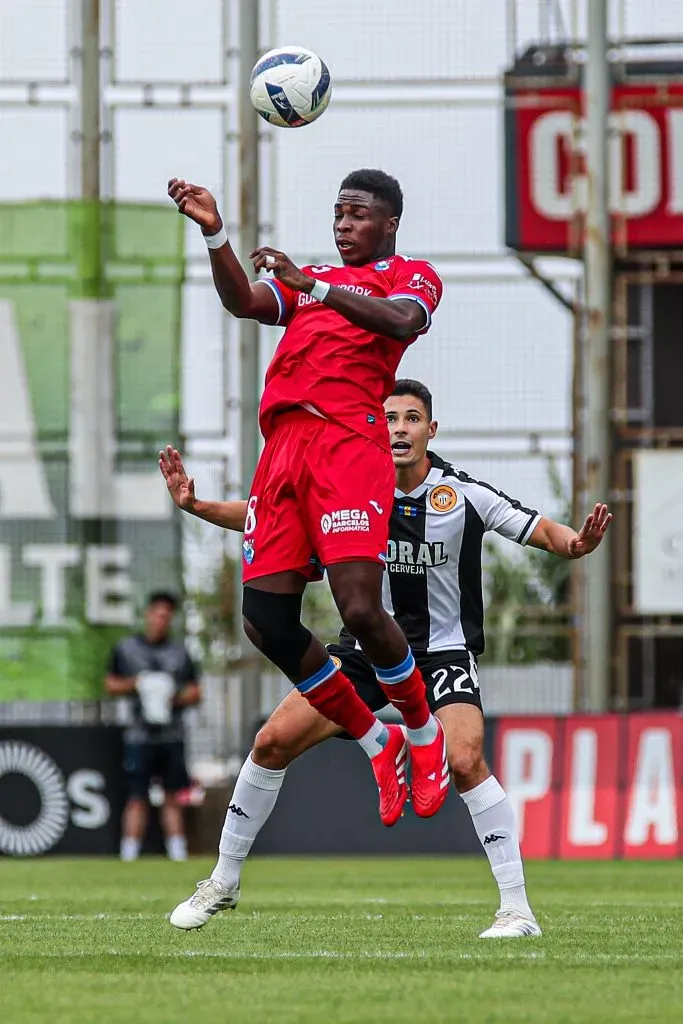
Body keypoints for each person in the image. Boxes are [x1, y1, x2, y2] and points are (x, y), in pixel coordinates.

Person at [160, 379, 612, 937]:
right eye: (389, 418)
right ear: (374, 428)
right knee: (271, 742)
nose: (399, 429)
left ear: (431, 430)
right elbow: (266, 516)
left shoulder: (461, 494)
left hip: (443, 653)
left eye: (411, 418)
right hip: (366, 653)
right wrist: (197, 505)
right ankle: (222, 881)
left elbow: (538, 528)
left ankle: (517, 910)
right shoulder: (347, 491)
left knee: (466, 759)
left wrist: (574, 544)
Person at [167, 170, 447, 828]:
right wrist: (215, 234)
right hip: (284, 448)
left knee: (358, 606)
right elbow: (244, 301)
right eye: (338, 213)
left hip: (348, 441)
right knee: (264, 620)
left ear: (389, 223)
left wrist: (314, 287)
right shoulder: (310, 279)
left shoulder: (409, 275)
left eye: (358, 214)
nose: (344, 224)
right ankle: (377, 743)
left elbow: (404, 320)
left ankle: (422, 732)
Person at [105, 591, 201, 862]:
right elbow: (110, 684)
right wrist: (138, 684)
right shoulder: (127, 649)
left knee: (172, 795)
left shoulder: (180, 652)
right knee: (137, 797)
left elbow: (195, 690)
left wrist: (173, 696)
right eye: (157, 614)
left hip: (172, 734)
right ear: (148, 615)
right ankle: (129, 853)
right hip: (139, 735)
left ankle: (178, 852)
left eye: (166, 615)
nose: (161, 620)